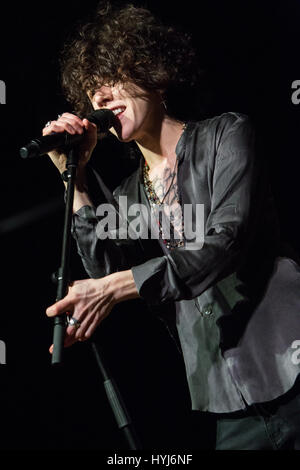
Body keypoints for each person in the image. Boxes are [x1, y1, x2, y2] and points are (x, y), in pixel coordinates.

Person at [43, 2, 300, 450]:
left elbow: (226, 242)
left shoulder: (226, 135)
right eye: (90, 92)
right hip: (228, 396)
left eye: (109, 79)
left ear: (155, 74)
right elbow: (105, 272)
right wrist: (78, 178)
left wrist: (114, 286)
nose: (99, 98)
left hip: (292, 358)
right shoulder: (128, 195)